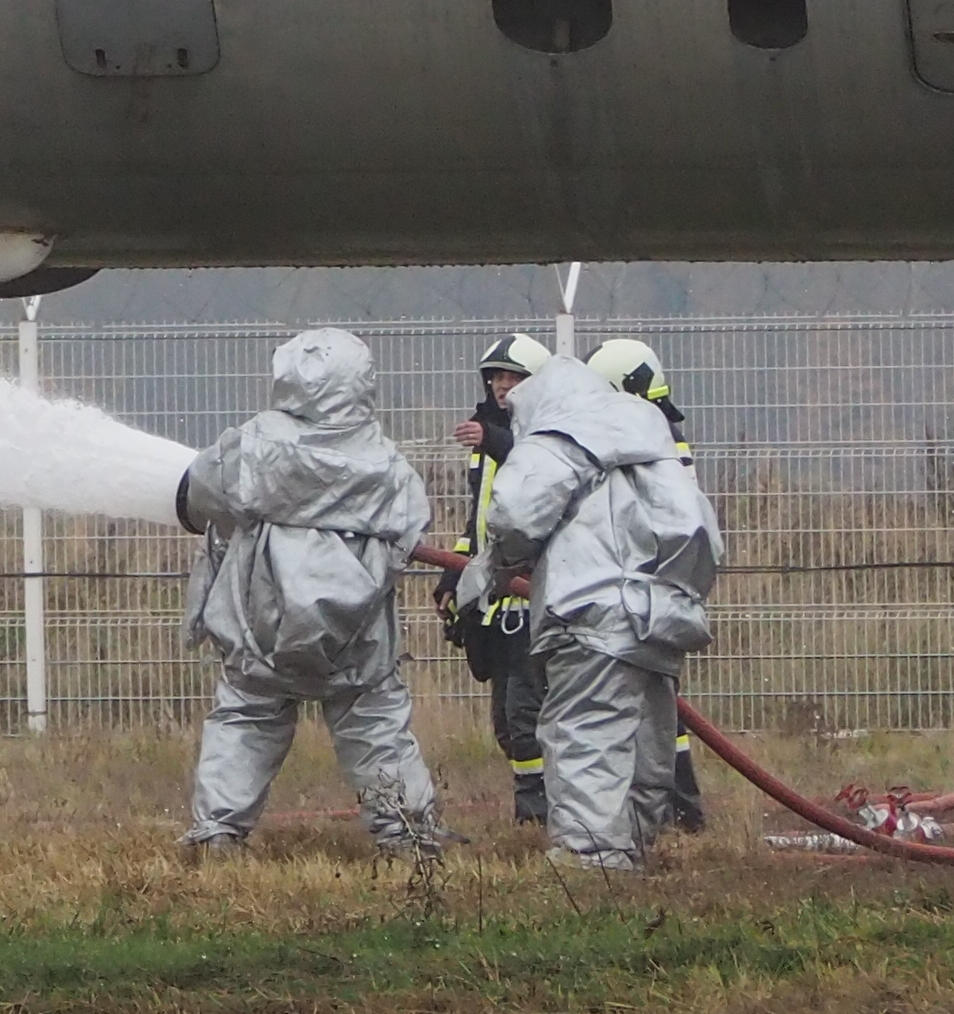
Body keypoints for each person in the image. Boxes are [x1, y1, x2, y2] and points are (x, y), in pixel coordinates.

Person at [173, 327, 442, 858]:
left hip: (261, 629)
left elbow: (197, 495)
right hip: (357, 636)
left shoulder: (251, 446)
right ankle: (407, 836)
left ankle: (219, 833)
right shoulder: (388, 464)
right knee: (376, 726)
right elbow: (413, 528)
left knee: (246, 718)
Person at [484, 350, 720, 872]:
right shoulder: (651, 448)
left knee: (585, 736)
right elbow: (698, 530)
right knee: (643, 746)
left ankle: (592, 871)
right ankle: (632, 851)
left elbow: (515, 515)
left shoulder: (554, 439)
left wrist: (495, 568)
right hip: (658, 616)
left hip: (587, 616)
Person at [583, 338, 708, 834]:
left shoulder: (644, 443)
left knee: (645, 711)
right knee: (654, 707)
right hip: (655, 594)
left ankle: (667, 810)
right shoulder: (657, 433)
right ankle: (670, 810)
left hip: (639, 595)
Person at [443, 334, 554, 825]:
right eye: (496, 377)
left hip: (539, 599)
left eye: (514, 378)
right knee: (506, 725)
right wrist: (453, 577)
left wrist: (494, 442)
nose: (503, 386)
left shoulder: (552, 434)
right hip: (499, 601)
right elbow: (479, 521)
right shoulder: (487, 434)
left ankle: (540, 819)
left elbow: (538, 464)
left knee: (526, 718)